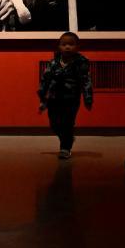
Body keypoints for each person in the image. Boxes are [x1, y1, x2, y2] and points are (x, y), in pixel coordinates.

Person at [37, 31, 93, 159]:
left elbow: (86, 81)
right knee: (54, 124)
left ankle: (65, 148)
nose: (67, 47)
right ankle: (67, 138)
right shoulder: (53, 62)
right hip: (54, 98)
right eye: (64, 44)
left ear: (77, 47)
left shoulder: (81, 62)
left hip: (71, 98)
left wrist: (88, 99)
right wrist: (43, 99)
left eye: (71, 44)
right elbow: (45, 79)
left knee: (67, 123)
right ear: (59, 46)